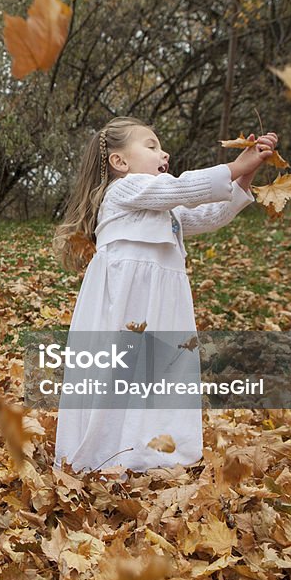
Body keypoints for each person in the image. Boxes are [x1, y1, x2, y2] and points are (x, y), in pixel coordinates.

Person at [52, 116, 276, 472]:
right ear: (119, 162)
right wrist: (234, 165)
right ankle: (102, 452)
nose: (164, 152)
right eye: (151, 145)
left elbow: (209, 215)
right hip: (127, 300)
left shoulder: (163, 207)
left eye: (161, 146)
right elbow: (181, 188)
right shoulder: (124, 190)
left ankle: (150, 453)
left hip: (161, 303)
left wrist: (244, 177)